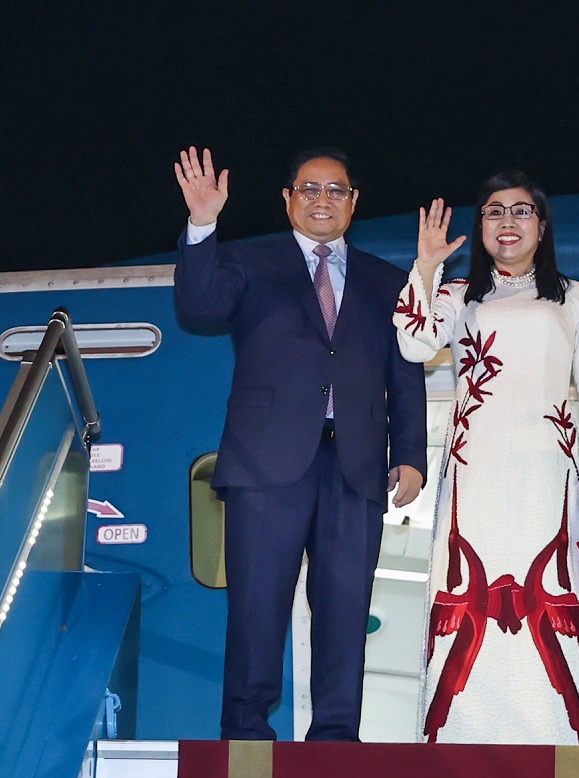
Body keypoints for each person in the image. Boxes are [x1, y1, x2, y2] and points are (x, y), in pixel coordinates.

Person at [173, 146, 428, 742]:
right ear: (288, 199)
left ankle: (335, 740)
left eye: (336, 190)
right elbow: (198, 306)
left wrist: (410, 454)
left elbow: (405, 373)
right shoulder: (248, 262)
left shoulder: (389, 281)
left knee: (345, 610)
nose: (322, 200)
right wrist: (203, 224)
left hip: (356, 467)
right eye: (309, 189)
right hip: (264, 464)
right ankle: (245, 735)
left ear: (354, 202)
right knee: (257, 607)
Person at [392, 171, 579, 745]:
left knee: (549, 593)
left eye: (521, 211)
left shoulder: (571, 296)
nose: (508, 222)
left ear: (542, 227)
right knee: (466, 596)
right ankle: (455, 740)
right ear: (481, 227)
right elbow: (412, 343)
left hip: (548, 471)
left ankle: (556, 738)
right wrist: (426, 266)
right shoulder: (458, 294)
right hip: (476, 470)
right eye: (494, 211)